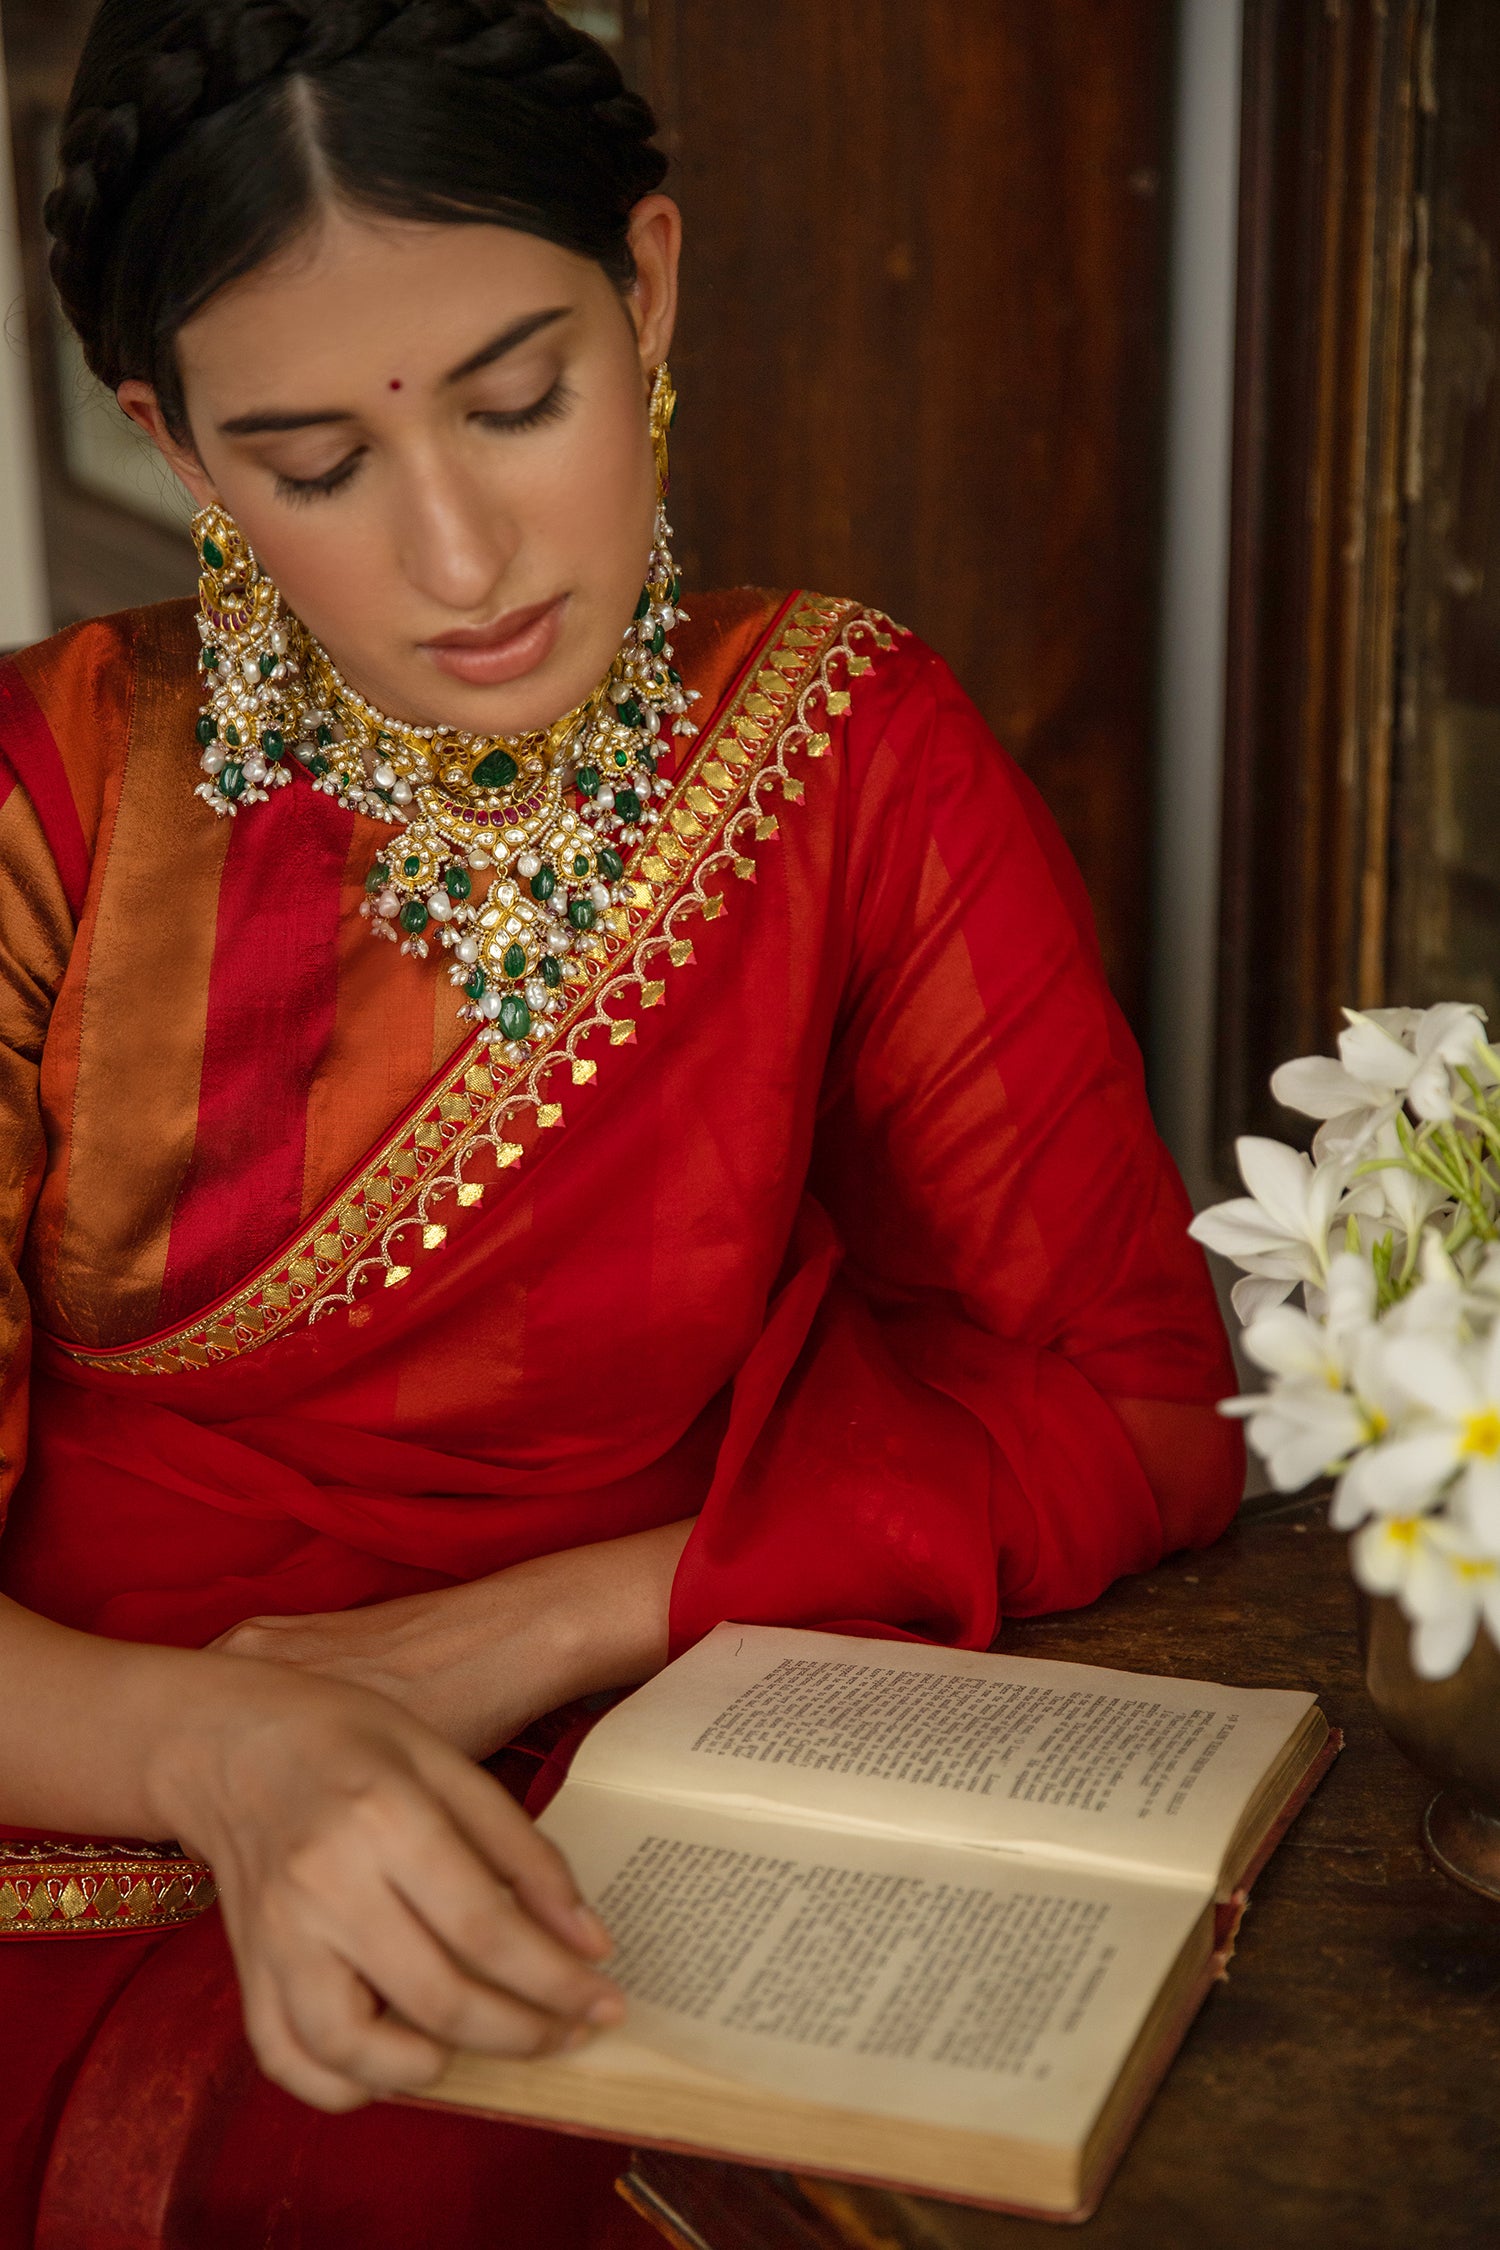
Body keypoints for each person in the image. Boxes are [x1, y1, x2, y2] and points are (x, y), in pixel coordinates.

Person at [0, 1, 1244, 2242]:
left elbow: (1136, 1410)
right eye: (314, 463)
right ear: (169, 441)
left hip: (662, 1773)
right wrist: (228, 1748)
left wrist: (548, 1624)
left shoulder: (851, 758)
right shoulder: (43, 816)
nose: (464, 555)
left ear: (647, 287)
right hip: (79, 1784)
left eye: (520, 399)